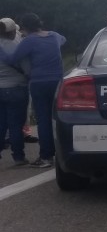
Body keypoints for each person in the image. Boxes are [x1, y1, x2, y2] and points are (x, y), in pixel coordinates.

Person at [0, 13, 66, 168]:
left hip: (39, 83)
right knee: (56, 118)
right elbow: (63, 40)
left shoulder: (28, 41)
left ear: (25, 27)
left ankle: (46, 157)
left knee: (43, 120)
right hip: (58, 82)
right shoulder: (54, 36)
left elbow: (12, 59)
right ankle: (61, 152)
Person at [0, 17, 31, 167]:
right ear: (12, 31)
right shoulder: (16, 46)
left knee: (1, 123)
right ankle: (18, 157)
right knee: (15, 124)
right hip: (16, 88)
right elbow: (26, 69)